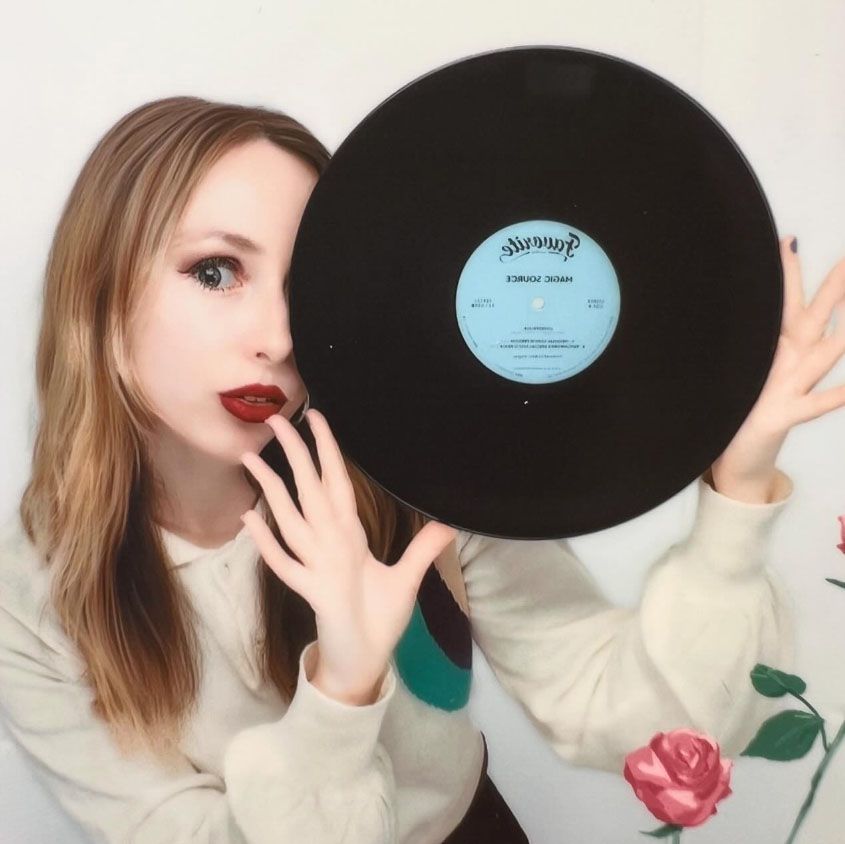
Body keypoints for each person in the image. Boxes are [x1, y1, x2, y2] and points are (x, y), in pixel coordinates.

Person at [0, 95, 843, 844]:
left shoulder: (419, 482)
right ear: (98, 298)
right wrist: (342, 689)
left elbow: (633, 717)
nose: (279, 337)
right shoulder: (31, 597)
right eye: (216, 272)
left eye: (305, 285)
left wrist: (736, 497)